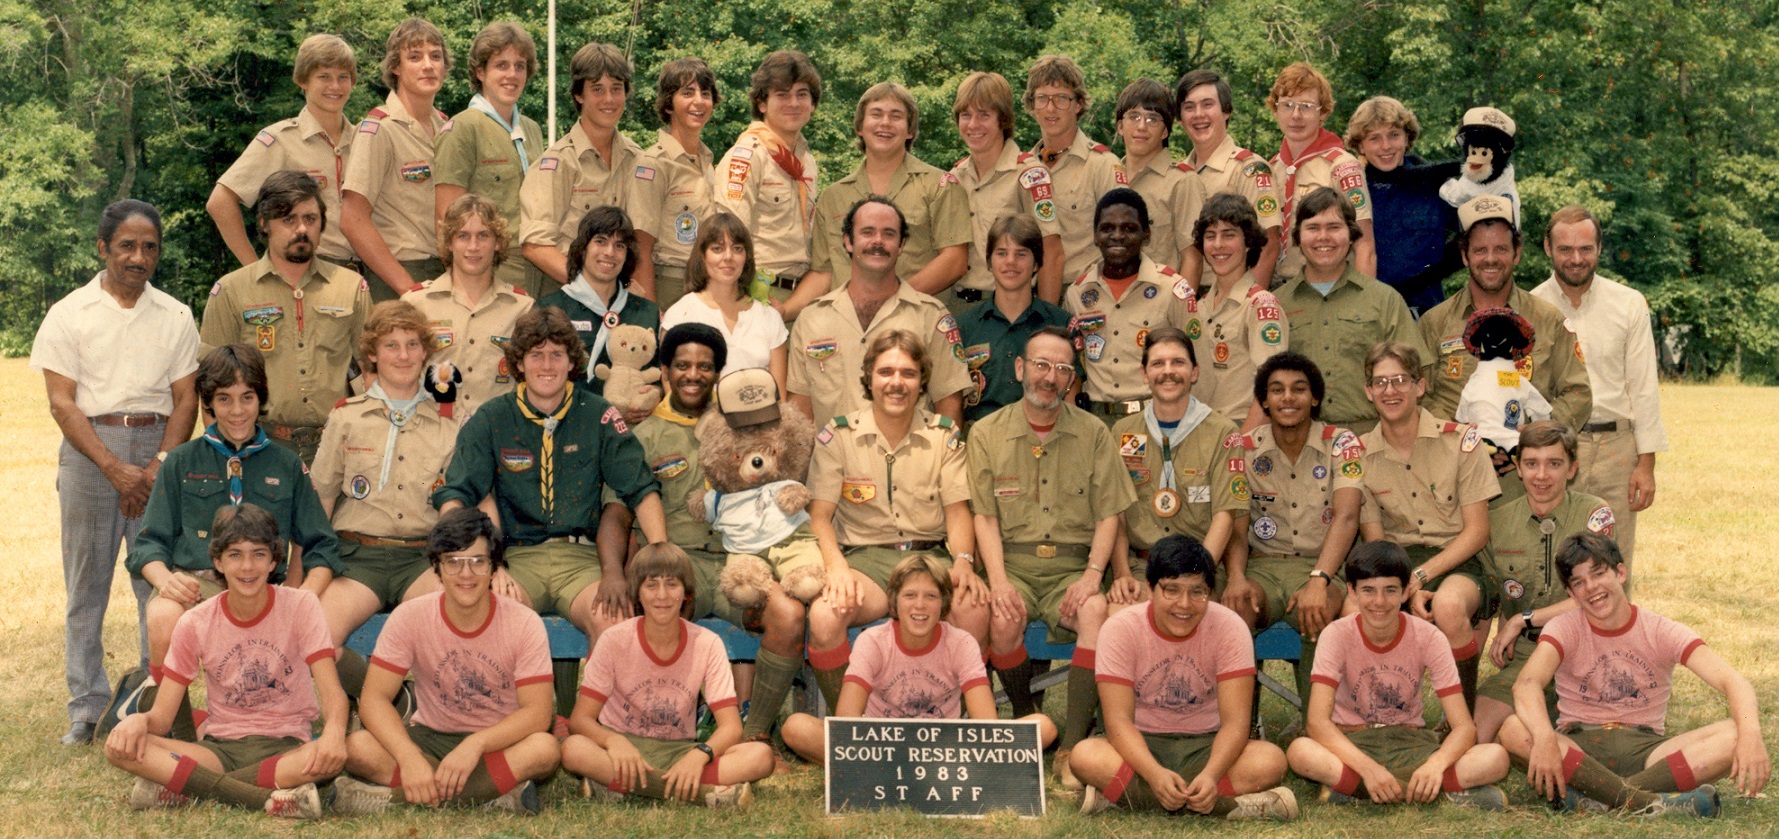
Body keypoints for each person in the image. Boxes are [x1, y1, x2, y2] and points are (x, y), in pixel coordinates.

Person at [33, 200, 200, 746]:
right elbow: (62, 403)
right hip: (89, 452)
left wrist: (155, 467)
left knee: (158, 584)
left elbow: (185, 400)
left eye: (149, 247)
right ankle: (87, 707)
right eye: (126, 246)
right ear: (103, 248)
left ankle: (157, 703)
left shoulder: (175, 315)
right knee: (88, 586)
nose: (138, 257)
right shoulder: (68, 313)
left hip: (159, 449)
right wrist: (113, 468)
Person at [1062, 328, 1244, 781]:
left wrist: (1197, 578)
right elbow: (1115, 510)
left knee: (1200, 615)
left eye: (1178, 363)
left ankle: (1202, 735)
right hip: (1141, 564)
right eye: (1158, 364)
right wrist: (1122, 571)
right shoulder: (1121, 432)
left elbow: (1226, 512)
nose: (1168, 372)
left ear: (1195, 371)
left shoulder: (1223, 432)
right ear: (1144, 373)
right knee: (1111, 611)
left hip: (1201, 566)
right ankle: (1086, 740)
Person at [432, 306, 667, 647]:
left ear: (572, 362)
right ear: (519, 363)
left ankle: (599, 703)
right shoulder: (492, 417)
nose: (546, 366)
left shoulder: (599, 414)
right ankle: (515, 703)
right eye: (536, 355)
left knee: (615, 624)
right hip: (515, 558)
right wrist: (483, 562)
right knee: (493, 616)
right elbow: (455, 495)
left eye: (556, 355)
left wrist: (660, 552)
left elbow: (641, 489)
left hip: (582, 559)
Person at [127, 345, 341, 713]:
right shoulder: (181, 460)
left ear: (261, 398)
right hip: (198, 583)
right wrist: (165, 580)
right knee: (162, 616)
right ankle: (169, 721)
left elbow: (321, 543)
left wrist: (303, 596)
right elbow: (148, 545)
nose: (238, 410)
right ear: (208, 404)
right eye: (224, 399)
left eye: (247, 397)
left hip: (263, 586)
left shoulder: (286, 463)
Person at [1497, 533, 1766, 816]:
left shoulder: (1659, 629)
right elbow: (1526, 685)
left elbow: (1734, 681)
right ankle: (1644, 803)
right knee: (1513, 729)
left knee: (1736, 734)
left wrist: (1752, 735)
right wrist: (1544, 737)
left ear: (1621, 573)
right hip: (1580, 747)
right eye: (1579, 582)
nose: (1591, 588)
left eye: (1599, 574)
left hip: (1649, 751)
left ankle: (1597, 799)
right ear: (1571, 594)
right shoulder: (1563, 627)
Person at [104, 504, 345, 820]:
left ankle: (186, 787)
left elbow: (332, 694)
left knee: (328, 757)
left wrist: (334, 733)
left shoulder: (301, 606)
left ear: (274, 559)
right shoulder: (197, 621)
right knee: (118, 746)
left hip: (285, 747)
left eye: (259, 554)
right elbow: (162, 718)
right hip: (218, 750)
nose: (247, 566)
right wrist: (140, 721)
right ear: (216, 560)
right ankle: (267, 799)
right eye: (235, 555)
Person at [331, 507, 561, 815]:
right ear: (436, 569)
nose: (465, 575)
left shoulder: (523, 622)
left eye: (477, 562)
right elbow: (374, 699)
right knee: (358, 747)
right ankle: (493, 795)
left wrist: (476, 744)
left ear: (494, 568)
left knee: (544, 750)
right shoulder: (410, 617)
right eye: (453, 562)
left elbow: (538, 713)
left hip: (498, 740)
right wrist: (409, 755)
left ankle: (393, 799)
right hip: (431, 737)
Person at [967, 327, 1137, 734]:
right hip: (1014, 565)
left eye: (1062, 369)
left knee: (1095, 610)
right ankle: (1027, 720)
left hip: (1073, 569)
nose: (1050, 376)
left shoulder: (1095, 433)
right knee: (1003, 619)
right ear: (1021, 368)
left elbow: (1108, 514)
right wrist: (1000, 582)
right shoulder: (986, 432)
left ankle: (1072, 743)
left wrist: (1093, 576)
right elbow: (985, 516)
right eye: (1041, 365)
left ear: (1071, 379)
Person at [802, 331, 983, 711]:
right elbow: (819, 517)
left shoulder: (943, 436)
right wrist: (835, 569)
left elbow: (957, 512)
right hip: (865, 562)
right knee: (824, 616)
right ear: (869, 378)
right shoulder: (839, 435)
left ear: (922, 382)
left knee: (973, 608)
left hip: (928, 561)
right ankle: (850, 732)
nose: (896, 383)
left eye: (908, 373)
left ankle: (956, 724)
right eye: (886, 372)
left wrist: (964, 561)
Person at [1071, 535, 1296, 821]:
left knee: (1271, 761)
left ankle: (1121, 797)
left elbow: (1237, 722)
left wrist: (1212, 775)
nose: (1184, 604)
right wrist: (1153, 775)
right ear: (1150, 589)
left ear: (1211, 593)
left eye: (1197, 592)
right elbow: (1118, 722)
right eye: (1172, 590)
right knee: (1084, 756)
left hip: (1207, 742)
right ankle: (1234, 806)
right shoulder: (1120, 628)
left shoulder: (1230, 627)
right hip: (1142, 743)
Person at [1285, 542, 1510, 808]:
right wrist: (1369, 768)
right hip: (1353, 742)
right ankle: (1430, 791)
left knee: (1495, 757)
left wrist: (1435, 766)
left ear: (1405, 592)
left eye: (1390, 591)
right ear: (1351, 590)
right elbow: (1317, 723)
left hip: (1411, 743)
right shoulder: (1337, 634)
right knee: (1301, 752)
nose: (1379, 602)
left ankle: (1357, 790)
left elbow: (1464, 727)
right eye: (1368, 590)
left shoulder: (1429, 637)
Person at [781, 554, 1057, 762]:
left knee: (1043, 727)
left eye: (931, 596)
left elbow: (986, 723)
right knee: (796, 727)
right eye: (910, 595)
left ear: (944, 603)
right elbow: (846, 721)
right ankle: (864, 767)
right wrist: (864, 749)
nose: (920, 605)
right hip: (881, 747)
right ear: (894, 603)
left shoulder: (961, 643)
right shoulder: (873, 641)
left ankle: (856, 767)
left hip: (943, 747)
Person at [311, 301, 457, 688]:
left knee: (449, 630)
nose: (403, 355)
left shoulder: (449, 425)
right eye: (391, 346)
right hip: (358, 557)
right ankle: (382, 701)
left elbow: (457, 508)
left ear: (426, 351)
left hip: (422, 559)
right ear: (372, 354)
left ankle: (424, 713)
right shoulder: (346, 417)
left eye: (412, 344)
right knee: (318, 640)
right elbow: (321, 501)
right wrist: (305, 575)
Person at [560, 543, 775, 807]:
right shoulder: (614, 640)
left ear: (686, 592)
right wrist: (613, 741)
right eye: (651, 585)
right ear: (637, 592)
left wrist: (701, 754)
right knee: (574, 750)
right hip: (624, 749)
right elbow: (580, 720)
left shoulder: (707, 643)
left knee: (761, 757)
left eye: (672, 584)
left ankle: (620, 785)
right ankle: (700, 793)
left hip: (679, 750)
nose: (661, 595)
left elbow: (731, 727)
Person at [1356, 342, 1498, 709]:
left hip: (1458, 560)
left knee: (1448, 606)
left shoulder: (1461, 441)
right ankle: (1377, 714)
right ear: (1368, 391)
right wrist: (1403, 583)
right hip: (1395, 562)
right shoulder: (1358, 455)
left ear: (1419, 386)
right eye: (1381, 382)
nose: (1391, 390)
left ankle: (1460, 717)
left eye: (1401, 380)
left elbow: (1477, 532)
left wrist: (1418, 577)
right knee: (1353, 610)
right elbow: (1376, 544)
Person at [199, 170, 372, 464]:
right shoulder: (231, 291)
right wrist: (227, 455)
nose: (301, 229)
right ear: (264, 223)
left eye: (310, 218)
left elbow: (372, 371)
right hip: (260, 446)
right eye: (288, 219)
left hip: (337, 447)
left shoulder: (351, 287)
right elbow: (209, 384)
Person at [1530, 205, 1666, 571]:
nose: (1576, 259)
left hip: (1615, 453)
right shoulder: (1530, 307)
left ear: (1599, 249)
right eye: (1565, 249)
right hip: (1553, 449)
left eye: (1585, 249)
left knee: (1612, 564)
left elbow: (1644, 389)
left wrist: (1646, 464)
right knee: (1552, 562)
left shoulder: (1629, 304)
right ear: (1547, 248)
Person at [1226, 352, 1362, 714]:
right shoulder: (1244, 447)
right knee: (1236, 609)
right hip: (1262, 566)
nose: (1288, 398)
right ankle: (1241, 726)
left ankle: (1316, 724)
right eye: (1277, 390)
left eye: (1299, 389)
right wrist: (1236, 577)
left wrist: (1320, 579)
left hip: (1321, 565)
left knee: (1317, 612)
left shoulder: (1341, 442)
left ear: (1314, 397)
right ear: (1265, 401)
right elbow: (1237, 524)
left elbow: (1347, 516)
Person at [1471, 420, 1616, 743]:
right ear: (1518, 468)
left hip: (1587, 658)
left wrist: (1524, 620)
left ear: (1572, 468)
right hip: (1527, 659)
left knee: (1597, 744)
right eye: (1531, 464)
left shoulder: (1594, 515)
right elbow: (1493, 598)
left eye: (1554, 464)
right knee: (1476, 734)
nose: (1541, 476)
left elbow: (1595, 595)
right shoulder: (1498, 522)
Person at [786, 82, 970, 319]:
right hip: (847, 327)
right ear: (860, 127)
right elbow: (823, 274)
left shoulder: (939, 186)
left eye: (896, 116)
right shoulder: (833, 197)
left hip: (914, 325)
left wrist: (891, 300)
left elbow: (954, 261)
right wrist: (784, 310)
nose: (885, 123)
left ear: (910, 130)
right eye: (876, 114)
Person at [1419, 197, 1591, 447]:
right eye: (1480, 250)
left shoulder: (1548, 320)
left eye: (1501, 249)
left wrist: (1538, 435)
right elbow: (1419, 396)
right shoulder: (1434, 323)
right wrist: (1458, 434)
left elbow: (1579, 392)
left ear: (1517, 253)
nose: (1491, 259)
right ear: (1465, 256)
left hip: (1527, 474)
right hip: (1455, 466)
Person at [786, 196, 970, 426]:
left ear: (901, 245)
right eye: (868, 232)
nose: (878, 241)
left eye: (889, 234)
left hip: (911, 460)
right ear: (848, 242)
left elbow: (949, 406)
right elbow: (800, 413)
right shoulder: (812, 319)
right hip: (832, 460)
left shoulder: (931, 317)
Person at [1275, 187, 1427, 433]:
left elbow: (1416, 375)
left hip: (1371, 437)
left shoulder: (1384, 300)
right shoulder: (1276, 304)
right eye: (1313, 228)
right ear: (1298, 237)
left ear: (1351, 234)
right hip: (1298, 440)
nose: (1323, 237)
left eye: (1334, 227)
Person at [208, 34, 358, 270]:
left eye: (343, 77)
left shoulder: (365, 140)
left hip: (366, 277)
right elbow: (220, 202)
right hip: (306, 272)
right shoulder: (281, 140)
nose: (335, 86)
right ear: (303, 81)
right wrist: (255, 270)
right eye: (324, 77)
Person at [1062, 189, 1196, 423]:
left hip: (1156, 417)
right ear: (1095, 236)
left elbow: (1196, 363)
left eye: (1129, 228)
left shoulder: (1173, 290)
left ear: (1146, 234)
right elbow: (1073, 367)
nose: (1117, 236)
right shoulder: (1077, 294)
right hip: (1095, 421)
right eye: (1107, 228)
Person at [340, 18, 450, 302]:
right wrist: (406, 287)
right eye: (415, 57)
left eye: (435, 56)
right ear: (395, 67)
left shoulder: (449, 129)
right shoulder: (379, 129)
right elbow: (353, 219)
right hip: (396, 276)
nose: (428, 65)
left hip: (446, 272)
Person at [433, 23, 545, 297]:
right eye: (501, 65)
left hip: (538, 267)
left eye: (520, 66)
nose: (512, 74)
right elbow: (446, 218)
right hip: (491, 270)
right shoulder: (463, 128)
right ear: (481, 72)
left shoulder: (532, 129)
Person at [519, 43, 642, 287]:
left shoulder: (637, 160)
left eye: (616, 89)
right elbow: (535, 246)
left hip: (622, 299)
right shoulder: (556, 164)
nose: (609, 99)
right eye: (597, 89)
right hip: (567, 297)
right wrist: (592, 289)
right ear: (579, 94)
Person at [403, 193, 535, 420]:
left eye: (483, 235)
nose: (473, 246)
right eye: (463, 236)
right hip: (431, 434)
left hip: (495, 436)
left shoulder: (522, 308)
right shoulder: (416, 304)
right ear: (449, 243)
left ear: (498, 243)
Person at [712, 50, 823, 311]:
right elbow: (729, 237)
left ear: (813, 104)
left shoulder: (807, 161)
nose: (794, 103)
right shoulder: (747, 157)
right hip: (756, 292)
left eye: (802, 95)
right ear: (762, 103)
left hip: (800, 297)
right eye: (782, 95)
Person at [948, 71, 1064, 308]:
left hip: (1013, 308)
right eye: (965, 115)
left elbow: (1052, 253)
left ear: (1003, 119)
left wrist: (1045, 322)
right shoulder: (954, 178)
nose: (973, 125)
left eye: (983, 115)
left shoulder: (1029, 175)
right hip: (961, 310)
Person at [1346, 96, 1461, 317]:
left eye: (1394, 135)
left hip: (1427, 312)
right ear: (1360, 144)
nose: (1386, 146)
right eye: (1374, 138)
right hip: (1368, 312)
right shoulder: (1351, 189)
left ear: (1407, 138)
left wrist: (1431, 274)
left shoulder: (1434, 183)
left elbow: (1473, 235)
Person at [535, 205, 661, 402]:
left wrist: (652, 394)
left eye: (619, 245)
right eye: (600, 242)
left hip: (627, 425)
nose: (610, 252)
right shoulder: (549, 309)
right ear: (583, 248)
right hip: (567, 422)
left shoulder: (646, 312)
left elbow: (657, 376)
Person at [955, 214, 1071, 425]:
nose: (1011, 261)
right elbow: (954, 404)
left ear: (1037, 263)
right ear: (989, 261)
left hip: (1045, 441)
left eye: (1021, 254)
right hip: (982, 442)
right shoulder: (964, 327)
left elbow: (1071, 402)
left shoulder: (1060, 324)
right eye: (1001, 253)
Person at [1266, 62, 1375, 282]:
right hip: (1279, 291)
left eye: (1306, 106)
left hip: (1329, 290)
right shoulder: (1270, 169)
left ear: (1323, 113)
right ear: (1275, 110)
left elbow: (1365, 246)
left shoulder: (1342, 168)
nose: (1296, 115)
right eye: (1287, 105)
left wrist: (1363, 309)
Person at [1025, 54, 1129, 281]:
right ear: (1032, 104)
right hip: (1027, 300)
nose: (1051, 109)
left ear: (1078, 104)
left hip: (1085, 298)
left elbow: (1125, 243)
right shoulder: (1023, 169)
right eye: (1042, 98)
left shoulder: (1103, 166)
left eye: (1062, 98)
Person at [1187, 193, 1287, 427]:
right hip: (1199, 431)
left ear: (1249, 242)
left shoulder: (1261, 306)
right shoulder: (1197, 308)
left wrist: (1240, 449)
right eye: (1210, 236)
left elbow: (1269, 390)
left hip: (1243, 432)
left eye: (1229, 235)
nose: (1218, 245)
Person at [629, 57, 720, 306]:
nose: (699, 101)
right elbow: (640, 249)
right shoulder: (653, 164)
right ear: (669, 104)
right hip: (669, 285)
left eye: (706, 93)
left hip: (708, 284)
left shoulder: (708, 164)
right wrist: (651, 312)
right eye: (687, 92)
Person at [1176, 69, 1281, 285]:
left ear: (1226, 111)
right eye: (1189, 107)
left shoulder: (1249, 170)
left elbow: (1269, 245)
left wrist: (1247, 306)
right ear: (1180, 119)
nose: (1198, 114)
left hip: (1231, 297)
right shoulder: (1176, 175)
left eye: (1207, 104)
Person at [660, 212, 789, 386]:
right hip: (700, 413)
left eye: (737, 248)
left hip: (761, 413)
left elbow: (780, 399)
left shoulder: (769, 317)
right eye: (717, 248)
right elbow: (671, 391)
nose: (728, 257)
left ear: (747, 257)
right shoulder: (680, 314)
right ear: (702, 255)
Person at [1114, 78, 1206, 274]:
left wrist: (1183, 305)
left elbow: (1193, 259)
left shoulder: (1182, 182)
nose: (1141, 127)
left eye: (1152, 119)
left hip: (1159, 301)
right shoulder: (1108, 176)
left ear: (1165, 131)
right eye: (1133, 117)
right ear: (1120, 126)